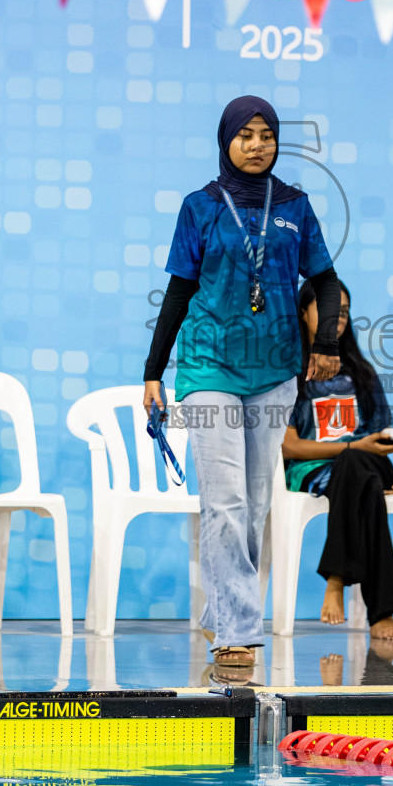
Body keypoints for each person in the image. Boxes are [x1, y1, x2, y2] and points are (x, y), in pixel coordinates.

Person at [143, 95, 342, 668]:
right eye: (245, 135)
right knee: (224, 499)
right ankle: (237, 630)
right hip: (208, 365)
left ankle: (224, 611)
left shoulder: (296, 206)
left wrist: (326, 343)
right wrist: (153, 371)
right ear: (225, 139)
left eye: (267, 135)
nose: (257, 145)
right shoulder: (200, 206)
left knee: (252, 505)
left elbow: (326, 280)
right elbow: (179, 291)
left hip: (274, 370)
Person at [283, 277, 393, 641]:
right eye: (327, 309)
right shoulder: (288, 373)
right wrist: (353, 449)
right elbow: (289, 447)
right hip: (313, 468)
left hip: (366, 463)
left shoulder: (362, 373)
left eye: (343, 312)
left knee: (359, 468)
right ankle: (381, 613)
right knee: (359, 475)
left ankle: (337, 578)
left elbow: (380, 437)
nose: (337, 318)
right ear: (303, 312)